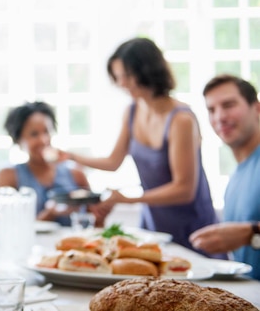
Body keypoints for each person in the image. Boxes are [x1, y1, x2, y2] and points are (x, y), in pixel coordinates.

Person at [60, 37, 223, 257]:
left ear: (146, 70)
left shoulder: (181, 119)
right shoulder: (132, 111)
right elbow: (113, 162)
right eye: (117, 78)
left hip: (191, 225)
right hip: (153, 221)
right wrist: (71, 156)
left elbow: (184, 190)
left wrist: (129, 199)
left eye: (126, 76)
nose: (121, 84)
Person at [189, 74, 260, 279]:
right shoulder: (236, 177)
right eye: (212, 110)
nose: (219, 117)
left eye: (228, 105)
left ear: (257, 108)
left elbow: (249, 234)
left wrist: (251, 234)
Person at [0, 101, 108, 227]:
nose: (43, 140)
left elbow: (96, 226)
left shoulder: (76, 174)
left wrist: (103, 212)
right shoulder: (9, 176)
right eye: (34, 134)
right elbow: (7, 227)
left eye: (47, 132)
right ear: (19, 140)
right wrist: (50, 214)